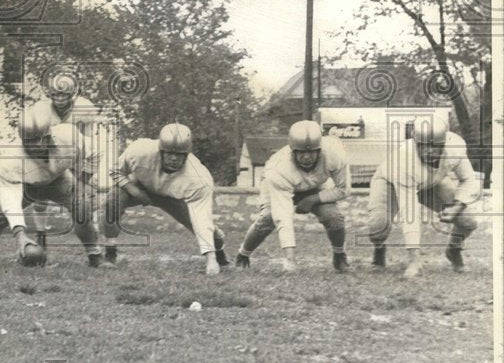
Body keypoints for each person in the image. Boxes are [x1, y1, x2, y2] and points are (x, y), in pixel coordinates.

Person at [0, 102, 103, 267]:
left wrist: (82, 182)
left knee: (82, 207)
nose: (35, 146)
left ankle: (95, 256)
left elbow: (95, 153)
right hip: (27, 186)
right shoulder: (9, 161)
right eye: (29, 141)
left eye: (40, 140)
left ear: (49, 135)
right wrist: (21, 236)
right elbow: (10, 202)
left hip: (59, 180)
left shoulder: (69, 136)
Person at [101, 123, 230, 275]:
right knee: (112, 200)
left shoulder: (199, 178)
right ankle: (110, 250)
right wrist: (134, 190)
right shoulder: (140, 151)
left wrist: (211, 259)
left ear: (187, 154)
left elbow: (202, 218)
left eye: (179, 154)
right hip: (141, 187)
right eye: (169, 153)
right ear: (160, 150)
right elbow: (116, 170)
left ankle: (219, 252)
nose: (174, 158)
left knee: (201, 227)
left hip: (173, 198)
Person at [368, 115, 480, 278]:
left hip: (431, 182)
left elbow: (469, 179)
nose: (430, 151)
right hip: (390, 182)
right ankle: (379, 249)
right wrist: (414, 260)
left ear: (445, 143)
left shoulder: (455, 148)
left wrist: (457, 206)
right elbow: (410, 213)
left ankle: (454, 250)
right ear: (415, 143)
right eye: (424, 146)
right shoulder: (404, 160)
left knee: (467, 221)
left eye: (436, 146)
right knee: (378, 229)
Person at [235, 120, 351, 272]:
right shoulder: (279, 169)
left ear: (320, 149)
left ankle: (339, 255)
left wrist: (312, 199)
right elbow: (283, 217)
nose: (307, 157)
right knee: (268, 219)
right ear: (292, 150)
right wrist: (290, 259)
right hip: (280, 186)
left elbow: (343, 189)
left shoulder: (335, 155)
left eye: (311, 152)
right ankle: (243, 253)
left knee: (333, 216)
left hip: (315, 186)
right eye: (301, 152)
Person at [27, 69, 113, 250]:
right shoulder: (41, 109)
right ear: (50, 94)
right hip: (51, 156)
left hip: (77, 155)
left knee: (86, 197)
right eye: (56, 94)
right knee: (40, 195)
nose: (59, 99)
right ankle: (41, 234)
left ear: (72, 95)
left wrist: (80, 172)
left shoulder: (84, 108)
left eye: (64, 95)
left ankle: (94, 238)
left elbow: (87, 141)